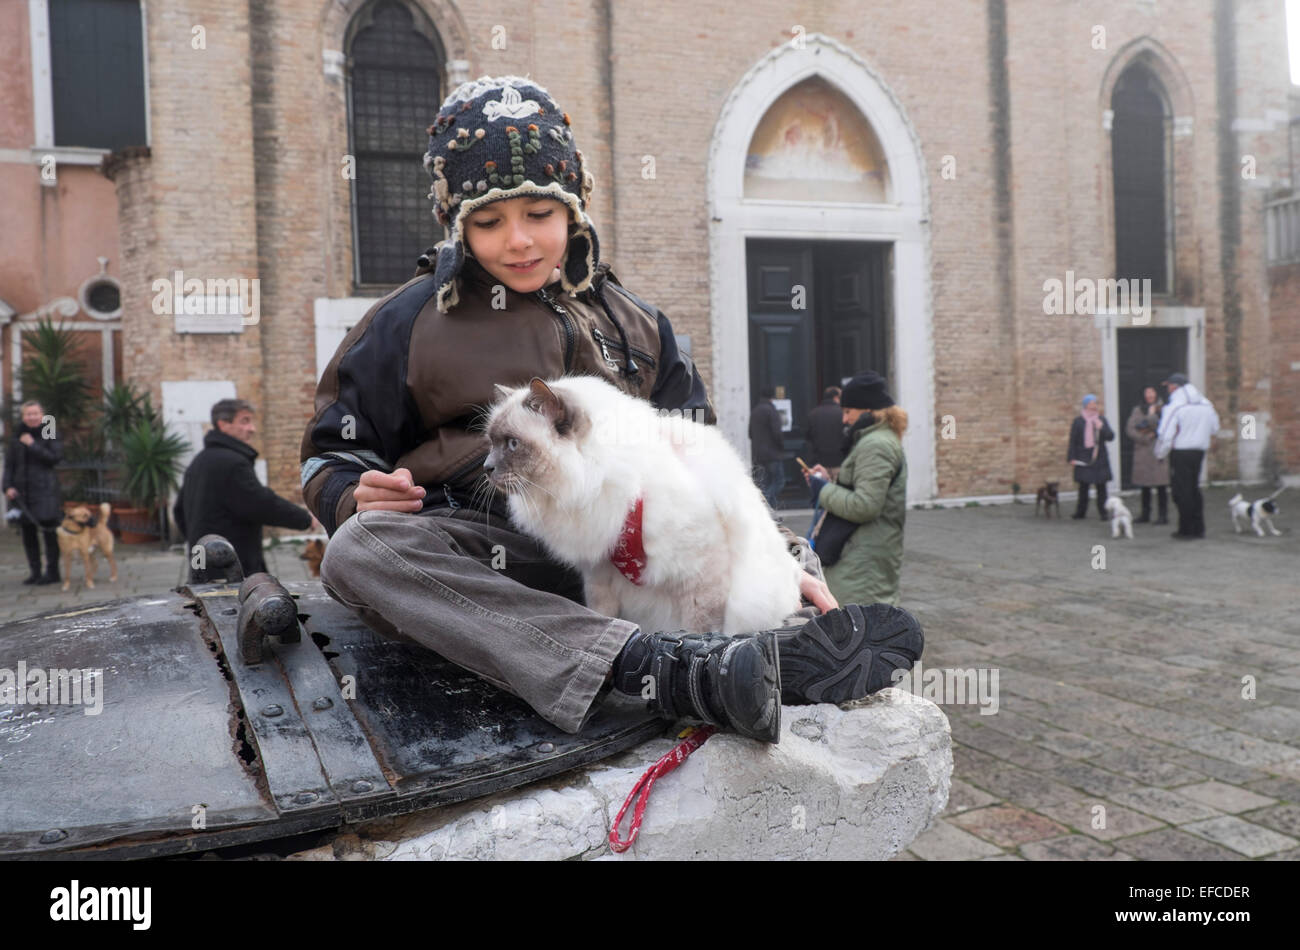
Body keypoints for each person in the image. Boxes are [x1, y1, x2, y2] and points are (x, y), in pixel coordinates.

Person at [301, 76, 921, 746]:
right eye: (488, 222)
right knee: (361, 551)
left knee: (782, 540)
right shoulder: (405, 323)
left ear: (575, 208)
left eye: (539, 214)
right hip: (497, 566)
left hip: (652, 552)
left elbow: (707, 459)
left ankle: (779, 650)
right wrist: (348, 493)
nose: (518, 242)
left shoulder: (640, 324)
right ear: (457, 222)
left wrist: (772, 552)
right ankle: (656, 668)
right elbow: (329, 451)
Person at [174, 398, 316, 575]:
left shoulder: (200, 460)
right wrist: (305, 519)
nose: (252, 429)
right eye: (244, 421)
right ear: (223, 424)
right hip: (231, 565)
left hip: (202, 561)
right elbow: (261, 504)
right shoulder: (232, 464)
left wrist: (199, 543)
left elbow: (179, 511)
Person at [802, 371, 907, 607]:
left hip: (863, 562)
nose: (844, 419)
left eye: (848, 411)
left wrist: (823, 490)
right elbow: (860, 487)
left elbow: (865, 506)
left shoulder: (877, 444)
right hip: (859, 555)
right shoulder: (874, 441)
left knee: (860, 632)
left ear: (868, 410)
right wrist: (827, 480)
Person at [1154, 372, 1220, 540]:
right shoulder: (1206, 404)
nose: (1168, 389)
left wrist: (1160, 454)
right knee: (1194, 489)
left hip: (1181, 452)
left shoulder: (1175, 406)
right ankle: (1199, 528)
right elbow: (1215, 428)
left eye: (1169, 386)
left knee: (1181, 492)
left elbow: (1165, 434)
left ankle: (1186, 530)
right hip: (1198, 451)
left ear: (1175, 387)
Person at [3, 400, 63, 585]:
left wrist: (32, 445)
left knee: (49, 533)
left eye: (35, 413)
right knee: (28, 534)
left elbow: (54, 458)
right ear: (23, 417)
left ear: (42, 414)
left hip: (45, 491)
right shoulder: (18, 435)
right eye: (28, 414)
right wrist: (7, 486)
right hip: (23, 493)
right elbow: (10, 465)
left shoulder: (49, 430)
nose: (32, 417)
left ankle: (52, 572)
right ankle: (35, 572)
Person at [1125, 385, 1168, 524]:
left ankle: (1163, 515)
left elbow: (1163, 427)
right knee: (1145, 485)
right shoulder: (1137, 410)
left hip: (1158, 451)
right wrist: (1144, 437)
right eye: (1147, 392)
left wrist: (1151, 416)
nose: (1149, 395)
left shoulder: (1164, 409)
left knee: (1161, 485)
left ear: (1156, 393)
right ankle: (1145, 514)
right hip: (1143, 451)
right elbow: (1130, 429)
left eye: (1152, 392)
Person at [1068, 394, 1114, 520]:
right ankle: (1080, 512)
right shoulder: (1078, 421)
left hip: (1099, 457)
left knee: (1101, 488)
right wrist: (1071, 457)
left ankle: (1103, 512)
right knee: (1083, 487)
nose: (1094, 405)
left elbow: (1110, 436)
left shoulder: (1101, 420)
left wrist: (1101, 428)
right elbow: (1073, 441)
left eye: (1095, 402)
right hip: (1083, 457)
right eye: (1092, 402)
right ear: (1086, 405)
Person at [749, 386, 786, 508]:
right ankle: (766, 506)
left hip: (758, 455)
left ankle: (766, 510)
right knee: (778, 482)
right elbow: (777, 433)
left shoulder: (755, 411)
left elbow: (750, 433)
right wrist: (781, 446)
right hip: (773, 454)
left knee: (763, 485)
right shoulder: (771, 410)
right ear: (772, 397)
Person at [804, 386, 845, 479]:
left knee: (822, 490)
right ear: (836, 398)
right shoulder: (842, 414)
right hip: (839, 461)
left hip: (819, 462)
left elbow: (808, 438)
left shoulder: (813, 414)